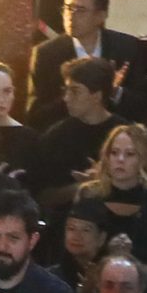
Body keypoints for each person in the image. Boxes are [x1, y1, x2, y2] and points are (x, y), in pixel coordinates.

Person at [28, 0, 141, 128]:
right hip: (66, 137)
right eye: (67, 9)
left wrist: (114, 92)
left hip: (114, 137)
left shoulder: (126, 48)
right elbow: (34, 115)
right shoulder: (46, 54)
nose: (70, 16)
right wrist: (73, 96)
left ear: (101, 15)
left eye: (80, 10)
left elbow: (143, 109)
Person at [28, 61, 121, 213]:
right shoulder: (55, 137)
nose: (66, 98)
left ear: (97, 96)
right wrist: (80, 188)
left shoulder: (124, 135)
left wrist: (107, 182)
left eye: (75, 91)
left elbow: (141, 189)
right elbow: (40, 196)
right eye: (66, 90)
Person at [79, 124, 147, 272]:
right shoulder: (90, 195)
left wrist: (130, 252)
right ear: (107, 157)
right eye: (114, 153)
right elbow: (77, 248)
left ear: (142, 159)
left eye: (129, 154)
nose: (120, 159)